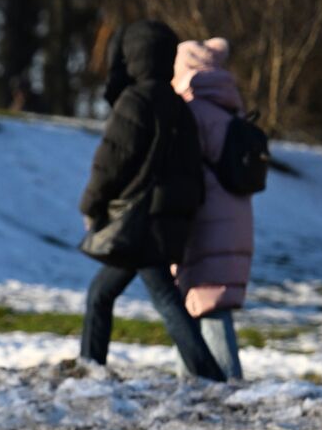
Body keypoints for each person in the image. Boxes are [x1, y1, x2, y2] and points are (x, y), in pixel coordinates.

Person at [78, 20, 226, 382]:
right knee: (105, 292)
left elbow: (111, 161)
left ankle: (208, 376)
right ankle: (90, 366)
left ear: (134, 56)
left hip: (141, 225)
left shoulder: (136, 100)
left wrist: (91, 205)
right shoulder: (178, 106)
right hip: (165, 220)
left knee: (159, 300)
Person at [173, 37, 253, 380]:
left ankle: (226, 385)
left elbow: (184, 170)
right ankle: (191, 383)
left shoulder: (193, 110)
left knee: (206, 303)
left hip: (206, 222)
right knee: (203, 303)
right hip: (233, 219)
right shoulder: (227, 106)